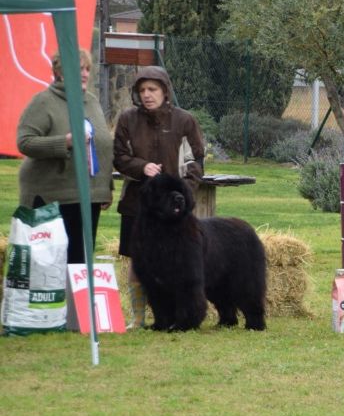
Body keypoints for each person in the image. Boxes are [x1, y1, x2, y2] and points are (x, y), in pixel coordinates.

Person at [113, 66, 205, 328]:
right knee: (137, 260)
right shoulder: (127, 120)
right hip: (136, 204)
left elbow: (195, 162)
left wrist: (183, 197)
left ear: (165, 91)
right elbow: (119, 157)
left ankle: (176, 314)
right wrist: (141, 167)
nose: (147, 95)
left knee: (179, 262)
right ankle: (138, 317)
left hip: (175, 211)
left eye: (152, 89)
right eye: (141, 90)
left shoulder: (185, 120)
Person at [16, 49, 114, 265]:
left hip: (89, 197)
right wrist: (65, 142)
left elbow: (102, 146)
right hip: (52, 197)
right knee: (52, 267)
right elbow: (25, 142)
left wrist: (105, 187)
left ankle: (76, 300)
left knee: (80, 264)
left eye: (87, 69)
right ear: (60, 72)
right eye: (79, 69)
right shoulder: (43, 102)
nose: (85, 74)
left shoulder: (91, 101)